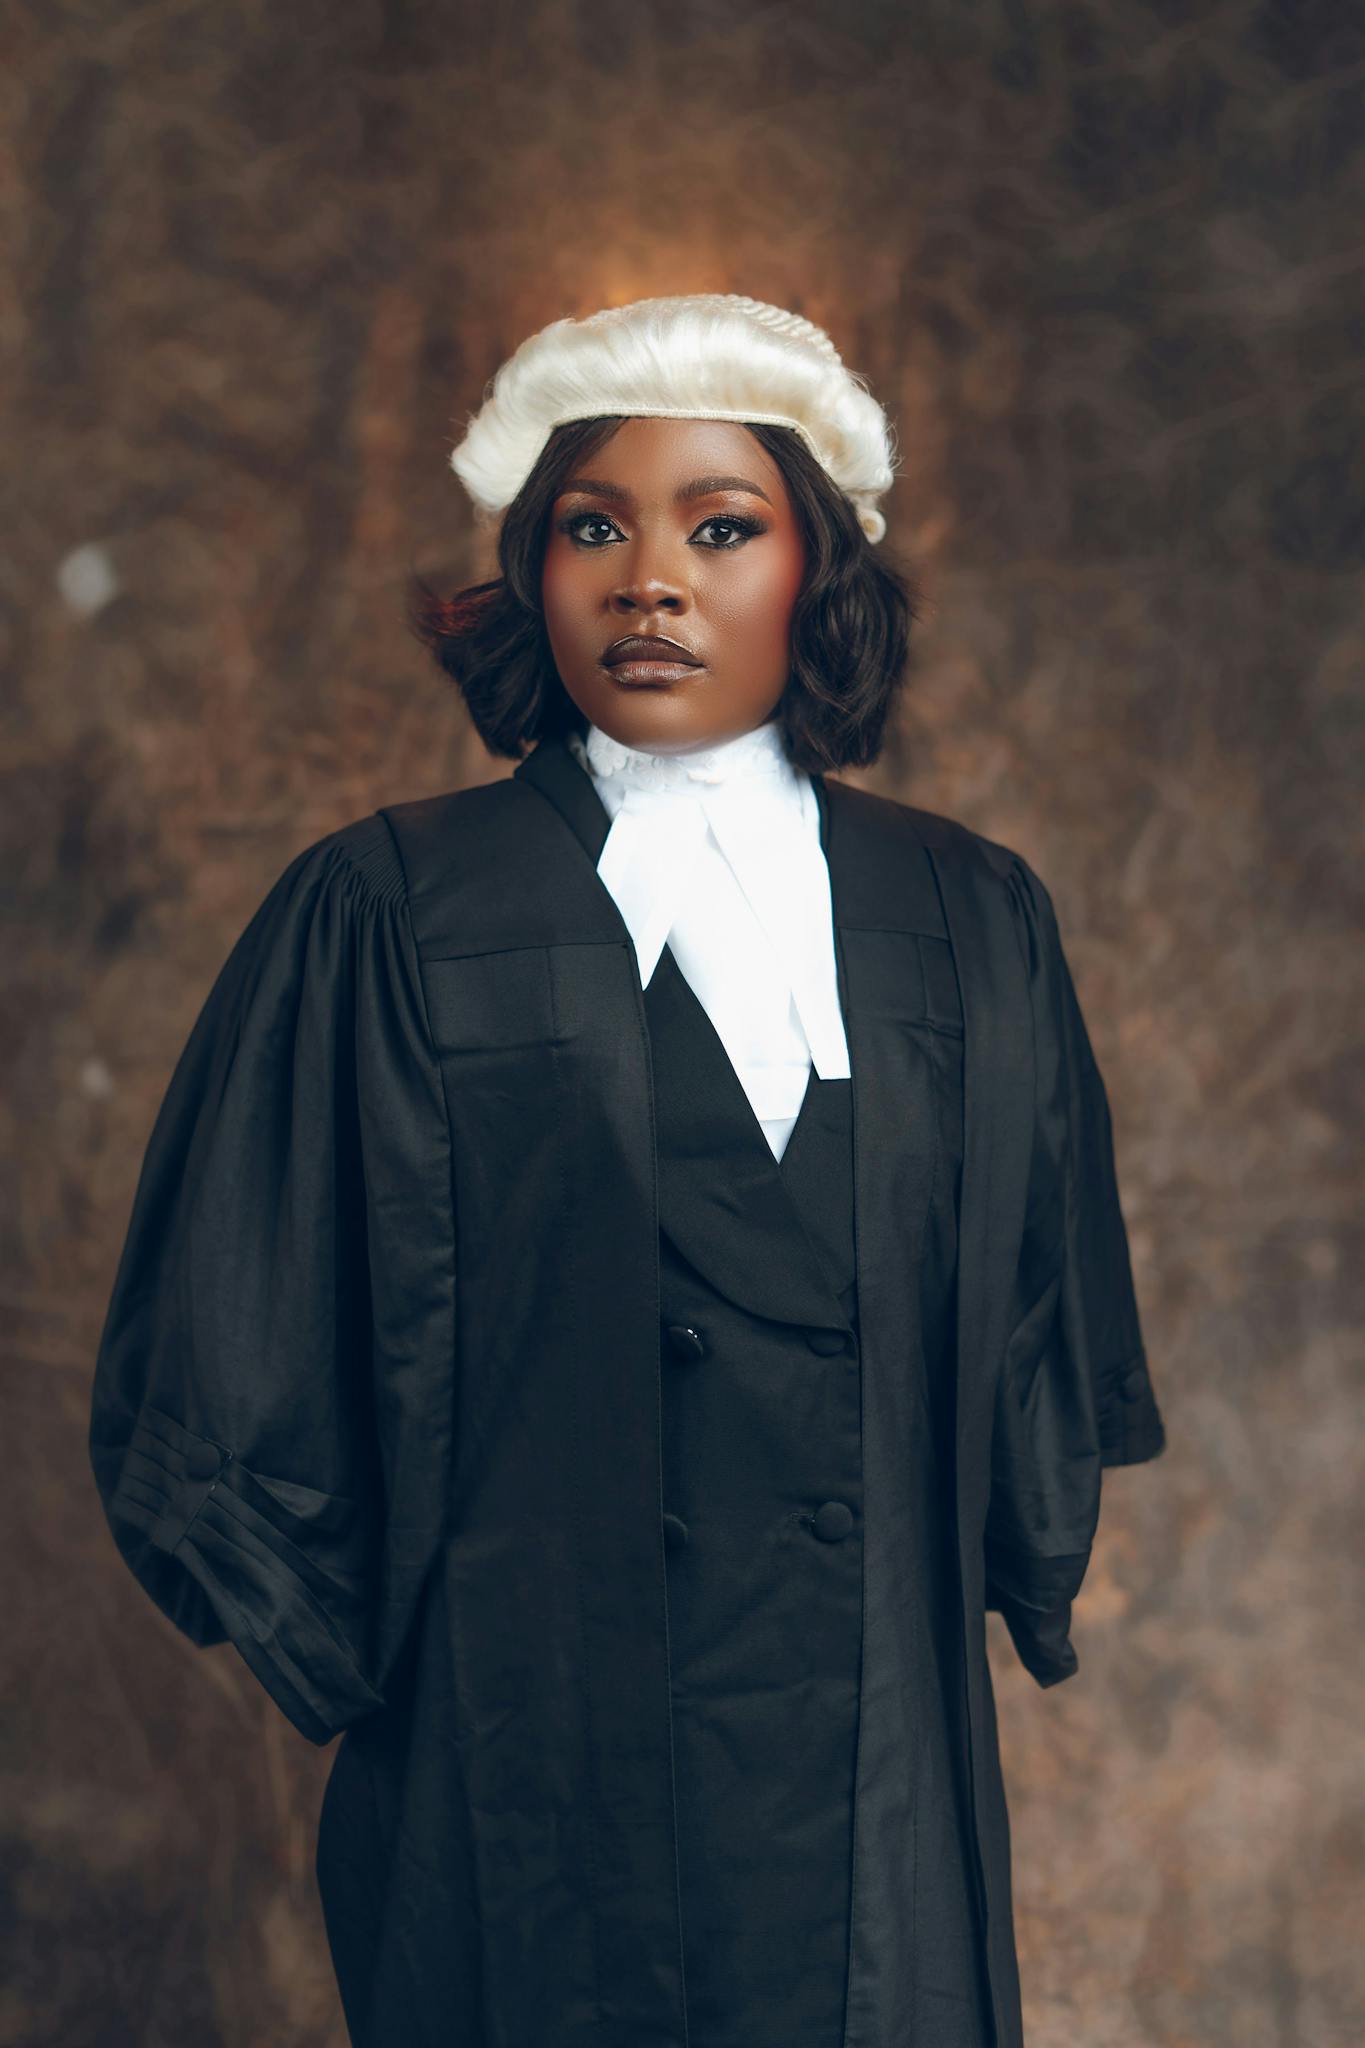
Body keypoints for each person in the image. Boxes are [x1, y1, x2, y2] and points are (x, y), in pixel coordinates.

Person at [89, 294, 1167, 2048]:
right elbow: (220, 1346)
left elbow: (1042, 1328)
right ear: (529, 575)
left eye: (719, 527)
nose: (647, 580)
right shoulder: (387, 910)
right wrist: (416, 1676)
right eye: (594, 526)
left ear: (814, 570)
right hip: (524, 1784)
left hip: (868, 1793)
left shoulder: (969, 923)